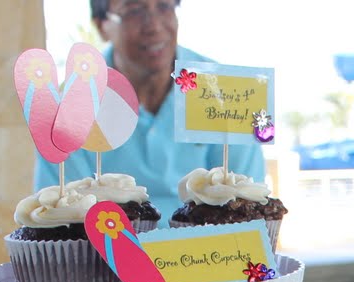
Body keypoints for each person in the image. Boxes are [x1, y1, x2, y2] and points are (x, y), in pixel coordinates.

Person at [32, 0, 265, 219]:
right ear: (101, 26)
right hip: (107, 254)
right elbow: (64, 215)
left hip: (210, 254)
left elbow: (245, 203)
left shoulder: (224, 89)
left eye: (164, 6)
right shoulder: (72, 105)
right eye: (134, 10)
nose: (153, 25)